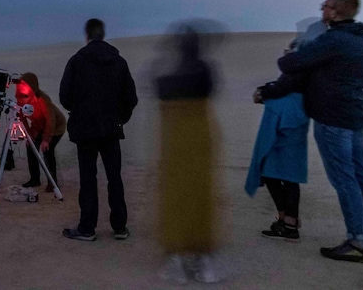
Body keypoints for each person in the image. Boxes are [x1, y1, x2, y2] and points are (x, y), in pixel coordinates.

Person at [277, 0, 363, 263]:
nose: (322, 7)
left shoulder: (334, 39)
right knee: (359, 172)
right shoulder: (357, 38)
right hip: (352, 115)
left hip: (333, 119)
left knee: (345, 178)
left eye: (327, 5)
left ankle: (358, 240)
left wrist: (291, 52)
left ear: (335, 12)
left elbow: (290, 63)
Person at [154, 23, 224, 284]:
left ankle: (177, 257)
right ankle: (202, 257)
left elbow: (159, 86)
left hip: (174, 145)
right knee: (200, 196)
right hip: (200, 143)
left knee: (175, 197)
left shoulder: (168, 78)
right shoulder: (205, 72)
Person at [246, 19, 325, 241]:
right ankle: (287, 222)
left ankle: (287, 222)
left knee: (274, 170)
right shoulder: (314, 55)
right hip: (295, 116)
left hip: (288, 117)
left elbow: (289, 82)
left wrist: (264, 92)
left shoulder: (307, 56)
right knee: (287, 172)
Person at [59, 18, 137, 242]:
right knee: (115, 178)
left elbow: (65, 97)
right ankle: (120, 227)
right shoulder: (118, 62)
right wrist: (120, 119)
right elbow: (130, 98)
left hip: (86, 130)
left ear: (87, 36)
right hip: (111, 129)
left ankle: (87, 228)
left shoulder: (77, 61)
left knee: (88, 178)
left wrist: (80, 110)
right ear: (103, 34)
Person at [16, 72, 66, 192]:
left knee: (47, 150)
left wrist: (46, 140)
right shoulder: (20, 98)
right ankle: (35, 179)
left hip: (56, 126)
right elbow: (22, 118)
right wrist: (28, 135)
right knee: (31, 148)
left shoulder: (42, 98)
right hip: (38, 126)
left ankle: (53, 182)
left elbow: (50, 119)